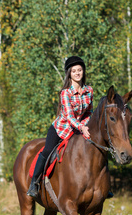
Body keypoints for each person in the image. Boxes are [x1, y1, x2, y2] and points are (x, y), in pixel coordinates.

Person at [27, 56, 113, 199]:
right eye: (74, 71)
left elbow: (89, 111)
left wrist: (86, 125)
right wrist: (82, 126)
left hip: (80, 128)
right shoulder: (65, 93)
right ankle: (34, 183)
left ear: (83, 72)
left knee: (99, 147)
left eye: (80, 70)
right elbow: (69, 117)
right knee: (48, 150)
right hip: (62, 129)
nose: (78, 73)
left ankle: (105, 186)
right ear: (69, 74)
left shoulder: (89, 90)